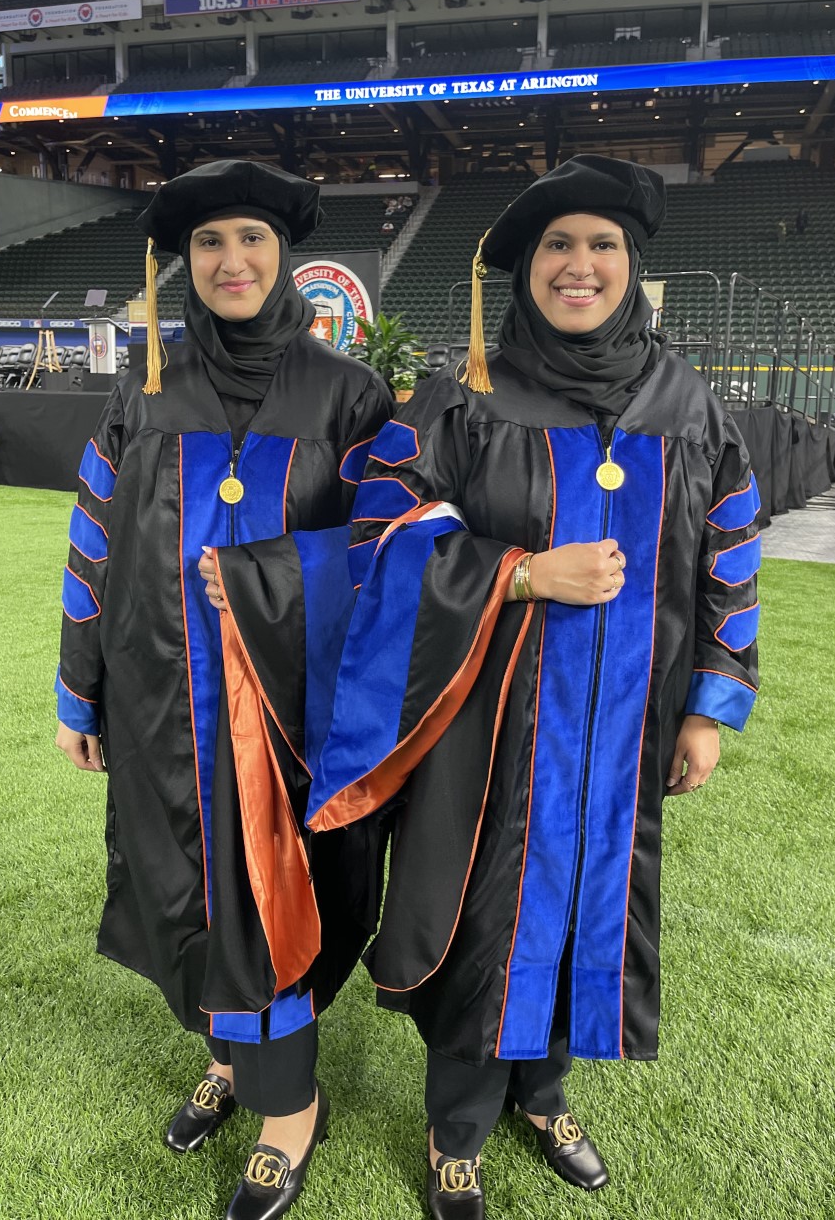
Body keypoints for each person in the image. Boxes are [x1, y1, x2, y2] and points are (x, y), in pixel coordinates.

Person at [304, 155, 761, 1219]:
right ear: (525, 271)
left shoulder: (685, 402)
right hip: (495, 727)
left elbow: (729, 551)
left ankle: (543, 1089)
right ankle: (456, 1122)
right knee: (487, 911)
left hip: (627, 725)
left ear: (632, 267)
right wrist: (514, 573)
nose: (580, 263)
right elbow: (381, 519)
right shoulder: (467, 394)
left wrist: (709, 703)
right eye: (558, 244)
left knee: (595, 904)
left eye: (602, 243)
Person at [54, 159, 393, 1220]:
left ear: (285, 254)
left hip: (292, 717)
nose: (230, 260)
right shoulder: (144, 388)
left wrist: (267, 579)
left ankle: (291, 1109)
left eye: (250, 237)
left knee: (274, 897)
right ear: (185, 263)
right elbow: (94, 541)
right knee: (188, 891)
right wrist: (80, 693)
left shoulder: (348, 393)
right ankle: (238, 1064)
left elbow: (392, 551)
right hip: (162, 707)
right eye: (208, 243)